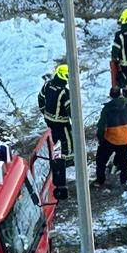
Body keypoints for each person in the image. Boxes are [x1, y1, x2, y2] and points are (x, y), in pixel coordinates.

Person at [37, 62, 74, 201]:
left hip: (49, 120)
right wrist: (75, 123)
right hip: (62, 123)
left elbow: (40, 98)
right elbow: (70, 110)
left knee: (56, 141)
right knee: (68, 143)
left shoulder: (48, 85)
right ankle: (66, 162)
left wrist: (44, 112)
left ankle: (59, 159)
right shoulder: (65, 92)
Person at [94, 86, 127, 188]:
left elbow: (101, 127)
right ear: (120, 94)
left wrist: (101, 139)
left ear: (110, 95)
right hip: (124, 139)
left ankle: (100, 181)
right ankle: (124, 181)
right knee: (123, 161)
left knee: (101, 161)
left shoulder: (107, 108)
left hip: (109, 139)